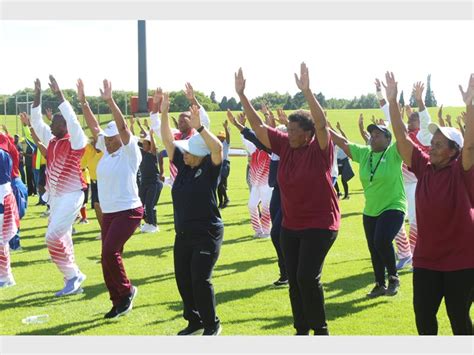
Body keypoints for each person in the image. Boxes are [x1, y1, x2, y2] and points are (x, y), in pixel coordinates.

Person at [235, 64, 340, 335]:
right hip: (291, 227)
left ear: (307, 134)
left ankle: (321, 330)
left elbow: (321, 123)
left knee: (307, 276)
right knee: (294, 279)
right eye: (288, 129)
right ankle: (301, 330)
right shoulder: (284, 145)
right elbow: (258, 126)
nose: (288, 133)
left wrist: (307, 91)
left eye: (294, 130)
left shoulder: (320, 149)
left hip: (320, 224)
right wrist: (242, 96)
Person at [383, 71, 474, 335]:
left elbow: (470, 148)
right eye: (431, 143)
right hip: (426, 258)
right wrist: (391, 102)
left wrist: (470, 105)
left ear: (453, 151)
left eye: (438, 144)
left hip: (462, 258)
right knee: (423, 316)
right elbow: (401, 139)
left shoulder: (462, 170)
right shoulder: (424, 167)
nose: (431, 147)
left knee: (458, 316)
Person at [160, 90, 224, 336]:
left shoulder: (209, 168)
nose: (184, 154)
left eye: (189, 152)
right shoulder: (185, 167)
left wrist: (200, 130)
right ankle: (194, 321)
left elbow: (217, 148)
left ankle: (212, 324)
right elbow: (167, 141)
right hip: (184, 233)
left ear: (200, 155)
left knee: (200, 279)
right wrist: (164, 111)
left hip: (207, 232)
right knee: (184, 280)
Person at [331, 94, 406, 299]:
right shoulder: (364, 154)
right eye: (372, 135)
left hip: (393, 206)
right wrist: (321, 125)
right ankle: (379, 284)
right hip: (370, 210)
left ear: (387, 140)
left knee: (382, 240)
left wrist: (392, 104)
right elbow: (342, 141)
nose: (373, 137)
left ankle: (393, 277)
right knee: (374, 247)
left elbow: (402, 134)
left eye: (378, 135)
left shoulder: (393, 153)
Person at [80, 78, 143, 318]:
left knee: (110, 252)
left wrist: (110, 101)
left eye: (111, 137)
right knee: (106, 257)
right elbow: (94, 126)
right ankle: (117, 301)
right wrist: (84, 102)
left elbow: (124, 129)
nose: (107, 140)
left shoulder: (129, 152)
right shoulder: (106, 149)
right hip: (110, 212)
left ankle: (127, 292)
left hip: (129, 210)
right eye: (106, 138)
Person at [30, 76, 88, 297]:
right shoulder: (53, 141)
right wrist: (37, 94)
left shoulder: (76, 141)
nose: (50, 125)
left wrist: (60, 96)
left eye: (55, 122)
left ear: (64, 125)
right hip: (55, 198)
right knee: (63, 237)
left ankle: (73, 275)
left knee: (52, 237)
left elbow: (73, 119)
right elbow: (36, 122)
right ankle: (71, 280)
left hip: (72, 195)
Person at [227, 109, 288, 287]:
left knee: (288, 235)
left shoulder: (292, 151)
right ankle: (285, 273)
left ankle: (292, 271)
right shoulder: (272, 150)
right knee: (277, 234)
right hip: (276, 190)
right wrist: (239, 125)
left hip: (290, 194)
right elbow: (255, 135)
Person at [150, 85, 211, 184]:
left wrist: (192, 99)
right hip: (176, 183)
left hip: (194, 181)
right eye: (179, 121)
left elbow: (205, 121)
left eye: (183, 121)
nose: (179, 123)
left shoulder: (196, 135)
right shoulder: (174, 135)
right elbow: (157, 125)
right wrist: (156, 104)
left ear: (190, 121)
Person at [0, 147, 20, 288]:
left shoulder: (2, 155)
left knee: (1, 241)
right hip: (4, 196)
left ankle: (6, 276)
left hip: (2, 199)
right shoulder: (4, 154)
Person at [138, 129, 163, 233]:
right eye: (143, 143)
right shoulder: (142, 154)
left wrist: (151, 135)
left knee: (149, 205)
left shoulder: (153, 154)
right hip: (144, 183)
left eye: (145, 143)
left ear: (150, 145)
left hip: (154, 183)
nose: (143, 145)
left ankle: (153, 225)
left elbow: (153, 147)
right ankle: (148, 223)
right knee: (139, 205)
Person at [333, 122, 354, 199]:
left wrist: (340, 129)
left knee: (344, 179)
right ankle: (338, 193)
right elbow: (332, 133)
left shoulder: (344, 142)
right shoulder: (334, 143)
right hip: (337, 162)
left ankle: (346, 195)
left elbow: (344, 137)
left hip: (345, 161)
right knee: (334, 177)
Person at [216, 121, 230, 209]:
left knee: (221, 184)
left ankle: (226, 199)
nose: (220, 138)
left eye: (221, 137)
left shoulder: (226, 143)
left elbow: (228, 137)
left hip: (225, 164)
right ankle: (220, 203)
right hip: (219, 164)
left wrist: (225, 128)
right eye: (219, 137)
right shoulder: (217, 145)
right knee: (218, 184)